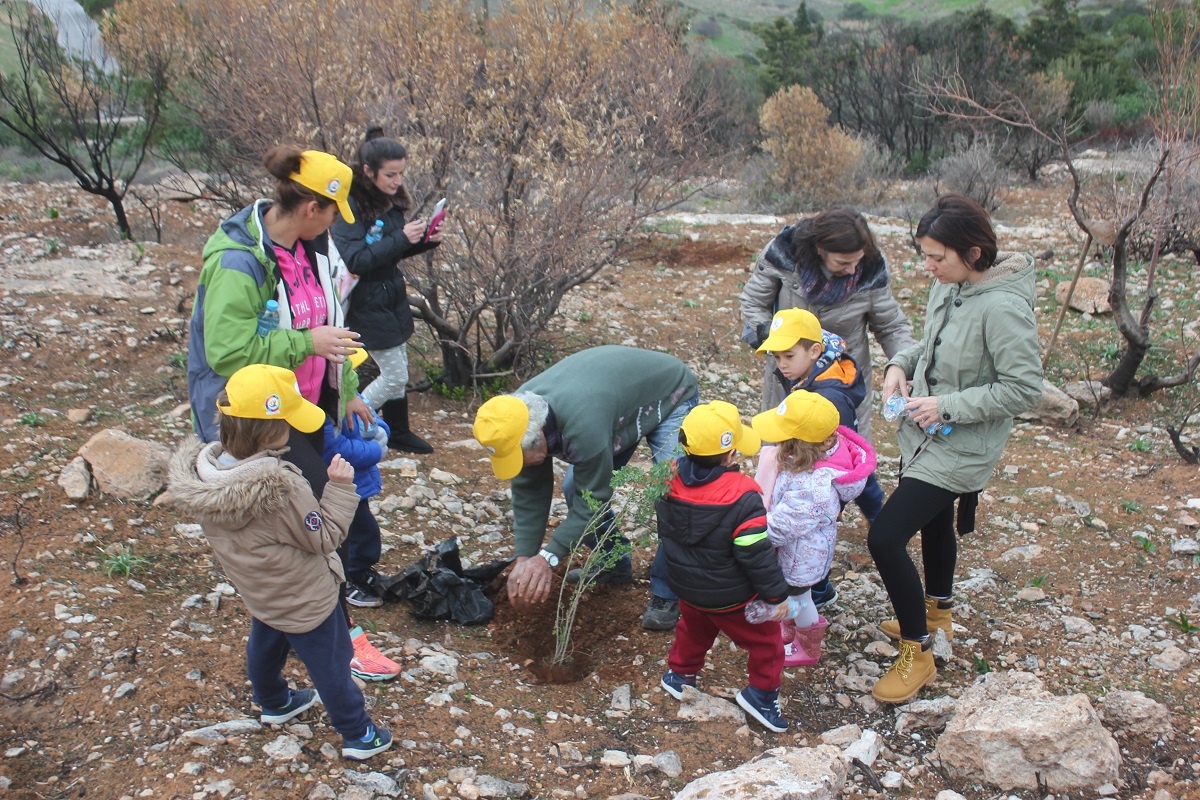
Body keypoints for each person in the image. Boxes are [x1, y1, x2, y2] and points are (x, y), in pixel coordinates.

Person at [186, 144, 394, 680]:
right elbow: (227, 352)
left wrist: (348, 388)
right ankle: (339, 640)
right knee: (311, 529)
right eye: (332, 211)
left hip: (304, 406)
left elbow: (331, 324)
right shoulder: (240, 261)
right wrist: (305, 343)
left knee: (318, 523)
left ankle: (299, 645)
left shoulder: (311, 248)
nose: (334, 223)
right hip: (261, 419)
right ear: (310, 207)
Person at [167, 364, 393, 761]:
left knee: (266, 641)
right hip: (306, 597)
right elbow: (325, 537)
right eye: (287, 420)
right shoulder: (280, 488)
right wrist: (341, 488)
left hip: (262, 589)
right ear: (271, 431)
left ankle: (273, 701)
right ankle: (358, 733)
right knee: (332, 663)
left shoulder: (207, 474)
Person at [868, 193, 1042, 704]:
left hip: (961, 444)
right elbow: (930, 345)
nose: (928, 267)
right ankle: (937, 614)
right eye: (924, 255)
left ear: (973, 253)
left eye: (936, 257)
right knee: (935, 520)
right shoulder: (951, 285)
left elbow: (1024, 389)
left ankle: (917, 652)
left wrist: (946, 406)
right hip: (925, 432)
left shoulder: (1004, 307)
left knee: (885, 538)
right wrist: (898, 365)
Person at [471, 345, 699, 630]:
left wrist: (548, 557)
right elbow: (529, 491)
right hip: (614, 404)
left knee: (675, 494)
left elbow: (594, 501)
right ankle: (614, 562)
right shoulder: (514, 418)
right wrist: (525, 556)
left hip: (668, 392)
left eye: (518, 458)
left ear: (538, 439)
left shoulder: (582, 427)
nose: (517, 465)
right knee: (572, 488)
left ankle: (667, 590)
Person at [739, 207, 915, 524]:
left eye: (857, 261)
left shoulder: (870, 271)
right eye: (843, 263)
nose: (853, 269)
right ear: (820, 249)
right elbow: (754, 303)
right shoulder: (783, 255)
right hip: (789, 376)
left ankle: (857, 516)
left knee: (844, 450)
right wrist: (777, 342)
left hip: (842, 379)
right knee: (781, 446)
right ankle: (779, 517)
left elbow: (891, 326)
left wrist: (904, 364)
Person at [656, 401, 793, 733]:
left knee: (694, 628)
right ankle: (761, 695)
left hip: (686, 585)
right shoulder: (743, 495)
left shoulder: (668, 476)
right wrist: (776, 596)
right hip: (732, 597)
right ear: (730, 454)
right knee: (766, 643)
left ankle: (680, 673)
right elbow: (755, 554)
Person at [752, 307, 878, 607]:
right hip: (809, 472)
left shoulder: (828, 398)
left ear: (814, 351)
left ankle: (816, 592)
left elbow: (840, 454)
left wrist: (845, 501)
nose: (782, 364)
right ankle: (815, 590)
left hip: (819, 480)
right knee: (807, 534)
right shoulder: (810, 374)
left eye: (788, 356)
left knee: (809, 534)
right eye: (776, 357)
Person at [330, 127, 443, 455]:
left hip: (387, 294)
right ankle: (350, 424)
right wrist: (402, 238)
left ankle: (398, 431)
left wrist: (422, 240)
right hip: (364, 302)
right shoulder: (351, 205)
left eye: (401, 174)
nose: (398, 181)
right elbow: (356, 260)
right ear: (368, 171)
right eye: (390, 175)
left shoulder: (387, 199)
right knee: (394, 376)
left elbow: (389, 251)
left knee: (399, 365)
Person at [750, 391, 876, 667]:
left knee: (800, 597)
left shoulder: (813, 486)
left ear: (803, 446)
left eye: (785, 439)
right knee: (794, 594)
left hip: (801, 557)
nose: (778, 444)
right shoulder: (812, 458)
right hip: (798, 551)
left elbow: (785, 525)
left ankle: (807, 646)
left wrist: (750, 532)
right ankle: (790, 628)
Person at [322, 348, 392, 609]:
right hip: (342, 485)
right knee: (354, 535)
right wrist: (375, 450)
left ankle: (360, 571)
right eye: (349, 371)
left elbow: (372, 417)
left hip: (358, 483)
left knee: (365, 532)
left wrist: (381, 431)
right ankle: (349, 578)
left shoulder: (351, 396)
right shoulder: (325, 409)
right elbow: (335, 452)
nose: (354, 375)